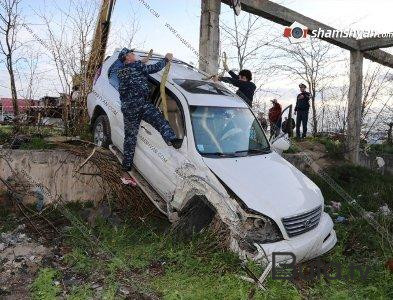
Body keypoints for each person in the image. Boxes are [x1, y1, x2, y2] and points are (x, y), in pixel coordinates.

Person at [117, 48, 181, 172]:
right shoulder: (137, 66)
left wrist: (142, 61)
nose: (134, 54)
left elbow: (136, 67)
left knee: (130, 138)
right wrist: (166, 59)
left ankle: (126, 166)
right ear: (127, 58)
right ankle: (171, 139)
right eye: (131, 54)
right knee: (158, 119)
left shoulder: (121, 71)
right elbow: (155, 68)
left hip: (128, 107)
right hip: (140, 104)